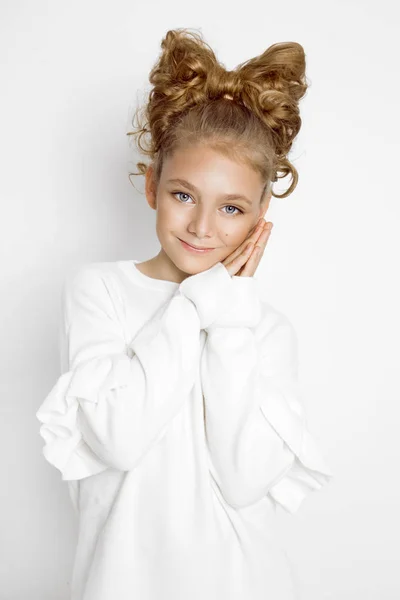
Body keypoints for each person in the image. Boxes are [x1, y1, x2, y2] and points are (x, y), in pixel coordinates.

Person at [36, 27, 333, 600]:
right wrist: (198, 300)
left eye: (230, 207)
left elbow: (244, 480)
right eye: (182, 195)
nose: (202, 226)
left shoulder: (264, 330)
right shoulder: (99, 292)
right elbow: (119, 438)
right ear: (151, 185)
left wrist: (227, 317)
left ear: (260, 214)